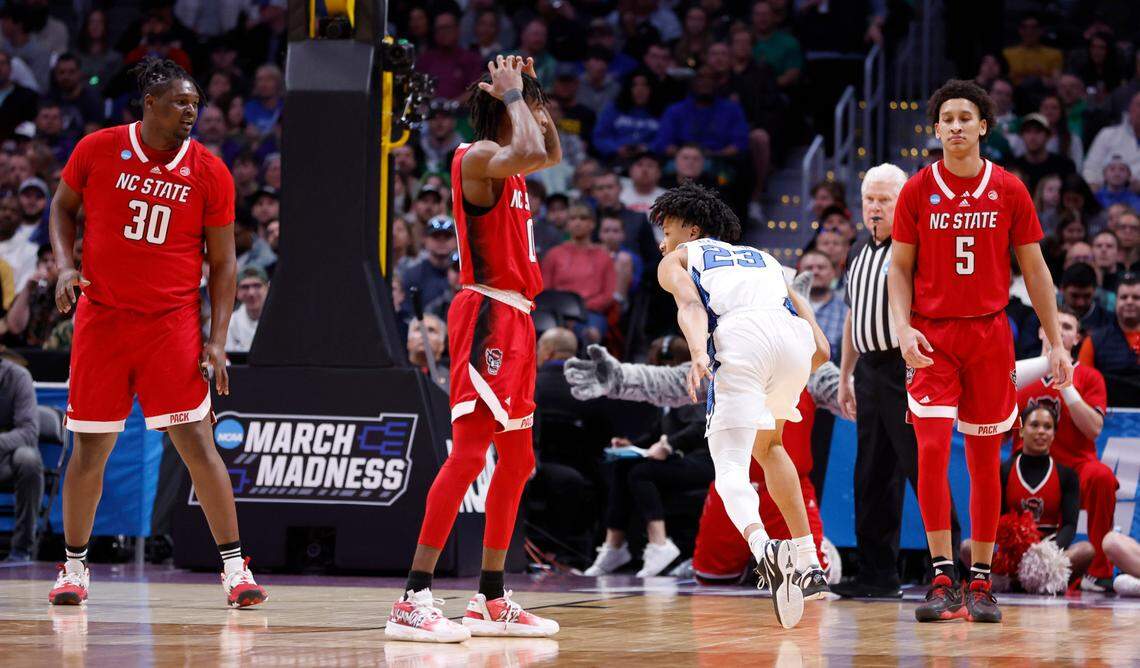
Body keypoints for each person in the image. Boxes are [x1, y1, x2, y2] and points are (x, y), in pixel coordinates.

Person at [47, 58, 268, 607]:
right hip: (103, 322)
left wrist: (216, 340)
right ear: (150, 104)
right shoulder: (97, 149)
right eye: (180, 103)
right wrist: (65, 265)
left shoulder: (210, 171)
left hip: (171, 326)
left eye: (196, 103)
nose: (191, 111)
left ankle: (236, 569)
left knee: (197, 444)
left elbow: (223, 266)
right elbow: (61, 208)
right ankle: (74, 568)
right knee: (90, 450)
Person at [385, 55, 561, 644]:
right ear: (502, 109)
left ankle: (490, 598)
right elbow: (536, 152)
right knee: (469, 455)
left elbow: (551, 154)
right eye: (527, 105)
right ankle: (414, 596)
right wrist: (515, 98)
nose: (535, 113)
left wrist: (533, 100)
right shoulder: (478, 157)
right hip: (486, 311)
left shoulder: (515, 163)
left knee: (518, 462)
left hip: (518, 316)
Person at [888, 79, 1072, 624]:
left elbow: (1035, 270)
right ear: (937, 128)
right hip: (931, 335)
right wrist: (901, 327)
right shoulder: (918, 190)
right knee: (931, 450)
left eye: (966, 116)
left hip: (991, 335)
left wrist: (1056, 341)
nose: (957, 125)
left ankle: (982, 581)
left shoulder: (1010, 189)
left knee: (984, 459)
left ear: (984, 126)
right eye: (947, 117)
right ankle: (943, 576)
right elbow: (899, 268)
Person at [653, 182, 832, 629]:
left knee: (730, 468)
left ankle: (765, 550)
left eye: (669, 230)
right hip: (793, 342)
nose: (663, 240)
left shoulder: (680, 258)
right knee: (771, 447)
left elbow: (690, 304)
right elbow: (823, 348)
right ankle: (810, 562)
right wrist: (796, 365)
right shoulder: (766, 259)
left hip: (741, 338)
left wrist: (698, 351)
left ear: (692, 232)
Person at [835, 163, 964, 599]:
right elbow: (855, 315)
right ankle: (877, 574)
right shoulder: (856, 251)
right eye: (869, 199)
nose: (874, 207)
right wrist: (846, 373)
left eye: (884, 200)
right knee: (870, 475)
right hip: (869, 369)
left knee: (923, 470)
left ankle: (951, 574)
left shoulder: (916, 246)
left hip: (909, 368)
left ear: (903, 202)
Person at [586, 337, 712, 578]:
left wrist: (669, 445)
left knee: (642, 472)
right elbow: (658, 433)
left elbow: (698, 428)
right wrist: (634, 445)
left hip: (704, 460)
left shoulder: (696, 385)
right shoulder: (664, 396)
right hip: (679, 457)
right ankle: (614, 545)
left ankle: (660, 544)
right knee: (624, 464)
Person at [1016, 307, 1116, 590]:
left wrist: (1064, 382)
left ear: (1077, 338)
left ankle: (1098, 572)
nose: (1058, 331)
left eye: (1067, 327)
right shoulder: (1020, 375)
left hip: (1076, 467)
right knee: (996, 474)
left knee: (1102, 477)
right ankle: (999, 564)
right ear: (1039, 331)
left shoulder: (1091, 377)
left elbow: (1094, 428)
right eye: (1052, 324)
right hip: (1029, 469)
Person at [959, 405, 1089, 580]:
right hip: (1010, 556)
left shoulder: (1067, 475)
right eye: (1034, 425)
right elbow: (994, 519)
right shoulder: (1003, 472)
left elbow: (1069, 525)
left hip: (1048, 557)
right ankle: (1007, 579)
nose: (1041, 431)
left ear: (1053, 434)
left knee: (1086, 551)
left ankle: (1042, 579)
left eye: (1047, 427)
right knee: (967, 547)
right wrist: (1012, 548)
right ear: (1020, 431)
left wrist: (1045, 554)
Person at [541, 205, 615, 342]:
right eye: (573, 218)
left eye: (583, 218)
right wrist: (565, 309)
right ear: (568, 224)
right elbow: (545, 289)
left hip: (590, 313)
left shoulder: (603, 256)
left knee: (591, 334)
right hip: (556, 312)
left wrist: (578, 309)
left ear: (592, 224)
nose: (577, 222)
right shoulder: (554, 254)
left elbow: (608, 295)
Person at [1078, 272, 1140, 407]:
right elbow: (1083, 385)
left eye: (1136, 297)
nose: (1129, 301)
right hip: (1108, 418)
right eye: (1124, 297)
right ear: (1115, 301)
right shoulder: (1094, 341)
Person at [0, 356, 39, 561]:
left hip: (5, 459)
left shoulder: (18, 377)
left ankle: (21, 549)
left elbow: (29, 432)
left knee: (29, 459)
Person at [1083, 91, 1140, 190]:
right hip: (1105, 196)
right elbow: (1090, 171)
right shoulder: (1107, 134)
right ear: (1130, 108)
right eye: (1139, 105)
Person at [798, 250, 846, 364]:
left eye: (821, 267)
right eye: (809, 268)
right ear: (799, 273)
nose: (815, 272)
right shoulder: (787, 308)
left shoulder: (847, 309)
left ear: (833, 273)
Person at [1001, 13, 1062, 86]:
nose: (1029, 31)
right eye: (1025, 27)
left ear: (1040, 30)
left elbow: (1057, 82)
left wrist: (1042, 76)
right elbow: (1003, 79)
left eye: (1034, 28)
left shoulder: (1055, 54)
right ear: (1020, 30)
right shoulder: (1007, 53)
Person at [225, 266, 268, 353]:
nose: (251, 293)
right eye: (245, 287)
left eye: (257, 285)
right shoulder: (230, 324)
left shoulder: (281, 321)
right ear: (237, 292)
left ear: (268, 289)